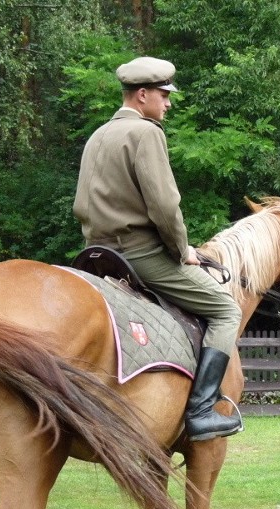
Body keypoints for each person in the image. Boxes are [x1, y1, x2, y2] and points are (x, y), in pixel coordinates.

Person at [73, 56, 243, 442]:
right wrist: (183, 249)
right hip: (141, 255)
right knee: (226, 310)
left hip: (96, 254)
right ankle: (201, 411)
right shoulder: (146, 133)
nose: (168, 104)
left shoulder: (99, 135)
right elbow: (164, 207)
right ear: (143, 95)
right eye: (164, 96)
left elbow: (82, 204)